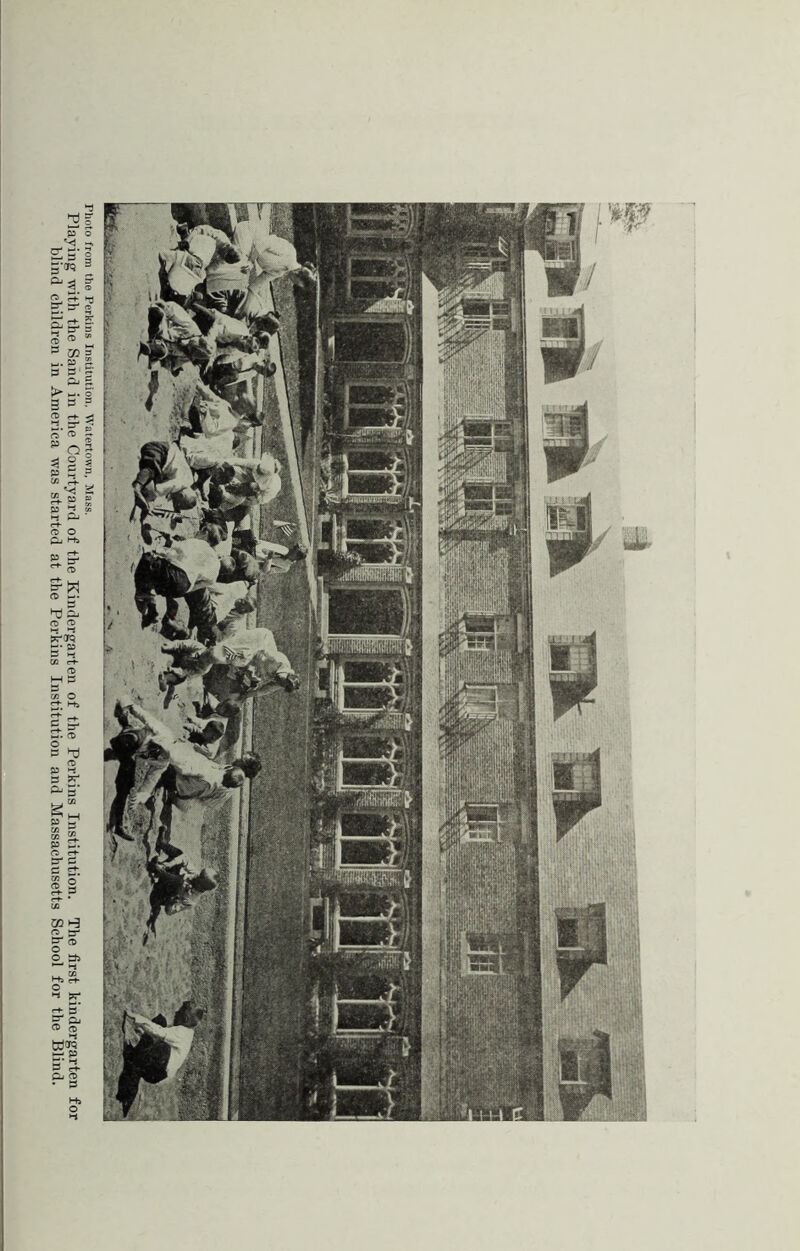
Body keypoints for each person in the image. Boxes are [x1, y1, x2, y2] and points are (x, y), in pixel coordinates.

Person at [106, 700, 261, 817]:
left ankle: (126, 738)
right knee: (154, 756)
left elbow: (183, 768)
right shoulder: (225, 774)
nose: (238, 759)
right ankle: (126, 739)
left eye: (241, 760)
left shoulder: (217, 777)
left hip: (180, 778)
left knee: (155, 749)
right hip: (173, 764)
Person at [133, 538, 258, 640]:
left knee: (147, 560)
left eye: (243, 604)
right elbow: (194, 588)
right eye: (243, 601)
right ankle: (172, 616)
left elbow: (177, 550)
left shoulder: (205, 548)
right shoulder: (216, 579)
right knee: (177, 589)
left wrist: (163, 551)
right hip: (184, 590)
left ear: (222, 556)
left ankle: (148, 594)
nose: (241, 602)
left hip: (201, 603)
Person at [161, 625, 299, 699]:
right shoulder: (278, 660)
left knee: (214, 655)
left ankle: (184, 667)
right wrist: (247, 669)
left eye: (283, 685)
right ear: (286, 674)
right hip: (258, 641)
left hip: (251, 657)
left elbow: (262, 691)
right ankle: (179, 647)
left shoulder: (280, 682)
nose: (280, 683)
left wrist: (245, 695)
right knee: (215, 653)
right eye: (283, 681)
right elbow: (257, 653)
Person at [116, 1001, 204, 1117]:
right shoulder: (187, 1032)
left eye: (180, 1012)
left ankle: (127, 1093)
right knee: (160, 1020)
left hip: (157, 1071)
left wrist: (135, 1017)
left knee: (158, 1046)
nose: (176, 1012)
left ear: (186, 1019)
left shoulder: (182, 1033)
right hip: (160, 1070)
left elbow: (158, 1032)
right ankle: (136, 1054)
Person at [232, 221, 317, 290]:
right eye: (296, 282)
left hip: (248, 250)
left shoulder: (280, 272)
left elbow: (260, 281)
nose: (293, 283)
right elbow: (265, 243)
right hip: (248, 233)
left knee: (240, 279)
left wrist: (248, 294)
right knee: (238, 268)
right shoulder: (290, 252)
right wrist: (251, 261)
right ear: (297, 273)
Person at [139, 300, 215, 372]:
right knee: (159, 315)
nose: (189, 348)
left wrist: (160, 364)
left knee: (162, 351)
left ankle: (149, 347)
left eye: (192, 350)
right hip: (163, 330)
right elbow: (174, 312)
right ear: (198, 339)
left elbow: (172, 365)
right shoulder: (191, 328)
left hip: (162, 345)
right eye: (192, 347)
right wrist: (165, 307)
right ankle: (152, 324)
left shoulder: (188, 355)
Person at [131, 441, 199, 521]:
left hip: (164, 448)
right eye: (177, 502)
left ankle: (141, 482)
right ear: (181, 495)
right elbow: (156, 491)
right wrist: (149, 504)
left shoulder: (189, 481)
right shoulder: (177, 485)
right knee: (151, 473)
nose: (174, 502)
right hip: (158, 452)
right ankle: (138, 486)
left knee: (155, 475)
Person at [147, 845, 218, 915]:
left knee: (180, 882)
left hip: (162, 893)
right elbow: (185, 858)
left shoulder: (191, 900)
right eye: (199, 875)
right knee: (179, 853)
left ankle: (156, 869)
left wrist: (173, 900)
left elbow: (169, 911)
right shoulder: (196, 875)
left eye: (199, 879)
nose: (196, 876)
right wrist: (169, 864)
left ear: (202, 888)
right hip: (169, 878)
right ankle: (162, 844)